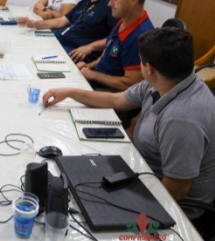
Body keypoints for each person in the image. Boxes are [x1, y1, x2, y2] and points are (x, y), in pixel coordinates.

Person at [42, 28, 215, 236]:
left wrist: (119, 202)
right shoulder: (164, 82)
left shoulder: (182, 120)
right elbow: (117, 100)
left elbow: (176, 190)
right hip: (145, 173)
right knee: (77, 179)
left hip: (175, 208)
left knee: (83, 211)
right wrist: (69, 92)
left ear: (148, 68)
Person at [77, 0, 154, 91]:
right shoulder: (123, 21)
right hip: (96, 81)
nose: (109, 3)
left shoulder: (140, 36)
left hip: (108, 93)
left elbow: (130, 85)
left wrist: (92, 75)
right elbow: (107, 54)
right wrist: (88, 67)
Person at [18, 0, 117, 63]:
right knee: (25, 43)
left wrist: (91, 47)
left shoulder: (110, 4)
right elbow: (61, 21)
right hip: (59, 41)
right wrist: (35, 24)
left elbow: (116, 37)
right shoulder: (86, 1)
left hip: (75, 51)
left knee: (31, 57)